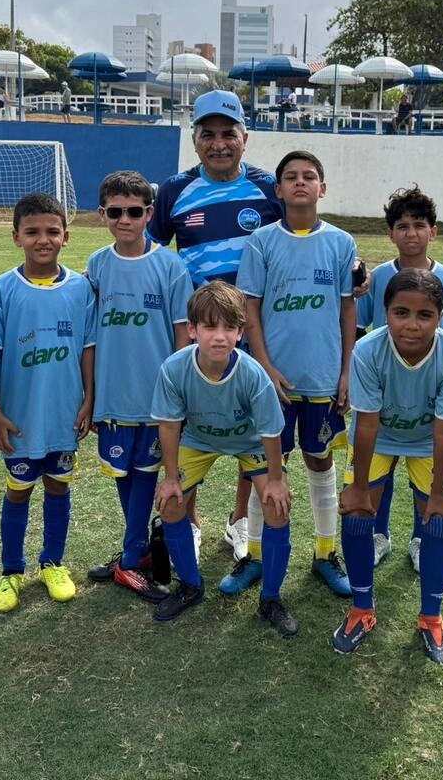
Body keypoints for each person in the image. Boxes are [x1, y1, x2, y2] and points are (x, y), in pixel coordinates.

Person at [148, 89, 285, 562]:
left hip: (252, 329)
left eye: (229, 134)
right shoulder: (173, 190)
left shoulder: (270, 188)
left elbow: (299, 238)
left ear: (245, 138)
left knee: (248, 423)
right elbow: (147, 250)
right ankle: (191, 519)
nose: (219, 143)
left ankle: (239, 519)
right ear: (195, 140)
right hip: (200, 330)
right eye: (209, 135)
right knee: (195, 422)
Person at [230, 150, 355, 600]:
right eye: (291, 177)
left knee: (320, 461)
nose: (300, 183)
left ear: (322, 188)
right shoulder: (261, 242)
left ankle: (325, 552)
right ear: (278, 189)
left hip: (323, 378)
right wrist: (262, 363)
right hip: (274, 381)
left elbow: (347, 308)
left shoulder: (341, 243)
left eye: (309, 177)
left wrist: (346, 370)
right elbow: (251, 309)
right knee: (267, 466)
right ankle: (257, 556)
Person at [335, 268, 443, 664]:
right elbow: (367, 422)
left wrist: (439, 493)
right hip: (377, 438)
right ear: (385, 312)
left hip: (427, 443)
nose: (411, 325)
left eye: (424, 315)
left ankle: (431, 617)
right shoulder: (368, 350)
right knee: (358, 516)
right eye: (400, 313)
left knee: (437, 521)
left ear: (440, 316)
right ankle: (362, 609)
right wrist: (360, 487)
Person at [149, 281, 297, 638]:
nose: (220, 337)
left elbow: (270, 431)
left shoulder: (252, 374)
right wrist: (170, 477)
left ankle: (271, 598)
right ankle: (191, 585)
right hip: (199, 439)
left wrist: (276, 480)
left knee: (277, 508)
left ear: (241, 332)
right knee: (170, 504)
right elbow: (169, 426)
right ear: (192, 330)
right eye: (210, 327)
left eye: (229, 327)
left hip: (248, 443)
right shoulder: (174, 368)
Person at [83, 171, 194, 601]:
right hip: (112, 395)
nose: (124, 219)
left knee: (147, 475)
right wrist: (90, 395)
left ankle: (129, 562)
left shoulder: (169, 265)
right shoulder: (97, 265)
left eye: (134, 211)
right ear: (102, 214)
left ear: (149, 214)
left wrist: (178, 393)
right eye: (115, 212)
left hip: (155, 399)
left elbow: (182, 336)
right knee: (124, 474)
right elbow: (90, 337)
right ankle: (140, 549)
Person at [0, 194, 97, 614]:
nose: (43, 240)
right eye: (32, 232)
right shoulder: (1, 290)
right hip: (18, 417)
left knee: (57, 486)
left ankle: (53, 563)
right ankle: (11, 570)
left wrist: (89, 399)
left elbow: (88, 348)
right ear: (16, 237)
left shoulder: (81, 288)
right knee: (17, 491)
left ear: (66, 236)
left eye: (52, 231)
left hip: (64, 414)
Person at [355, 186, 443, 572]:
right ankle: (378, 534)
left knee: (425, 466)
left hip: (428, 392)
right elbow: (361, 331)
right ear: (390, 233)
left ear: (433, 232)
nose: (411, 233)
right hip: (383, 388)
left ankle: (422, 539)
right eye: (402, 226)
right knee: (378, 466)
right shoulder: (379, 278)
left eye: (419, 225)